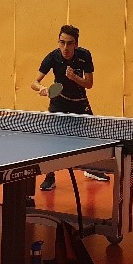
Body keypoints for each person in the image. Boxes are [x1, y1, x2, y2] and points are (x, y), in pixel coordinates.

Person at [30, 24, 109, 190]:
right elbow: (34, 83)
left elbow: (89, 84)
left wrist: (74, 78)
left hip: (79, 102)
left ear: (76, 44)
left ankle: (92, 169)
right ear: (58, 42)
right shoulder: (52, 57)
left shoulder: (84, 56)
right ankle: (50, 177)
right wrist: (42, 88)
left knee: (91, 137)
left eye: (69, 43)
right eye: (62, 42)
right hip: (59, 101)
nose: (65, 47)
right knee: (52, 139)